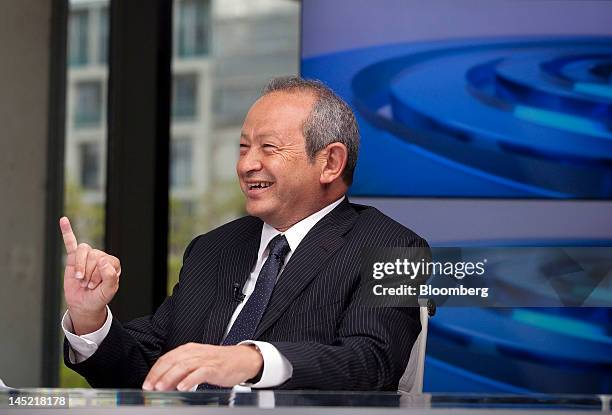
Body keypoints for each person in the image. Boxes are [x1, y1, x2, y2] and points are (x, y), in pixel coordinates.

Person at [60, 76, 428, 391]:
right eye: (243, 148)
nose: (247, 165)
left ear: (330, 162)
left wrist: (252, 360)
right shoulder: (213, 249)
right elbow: (147, 369)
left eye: (268, 148)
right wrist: (90, 317)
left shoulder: (397, 248)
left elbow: (371, 362)